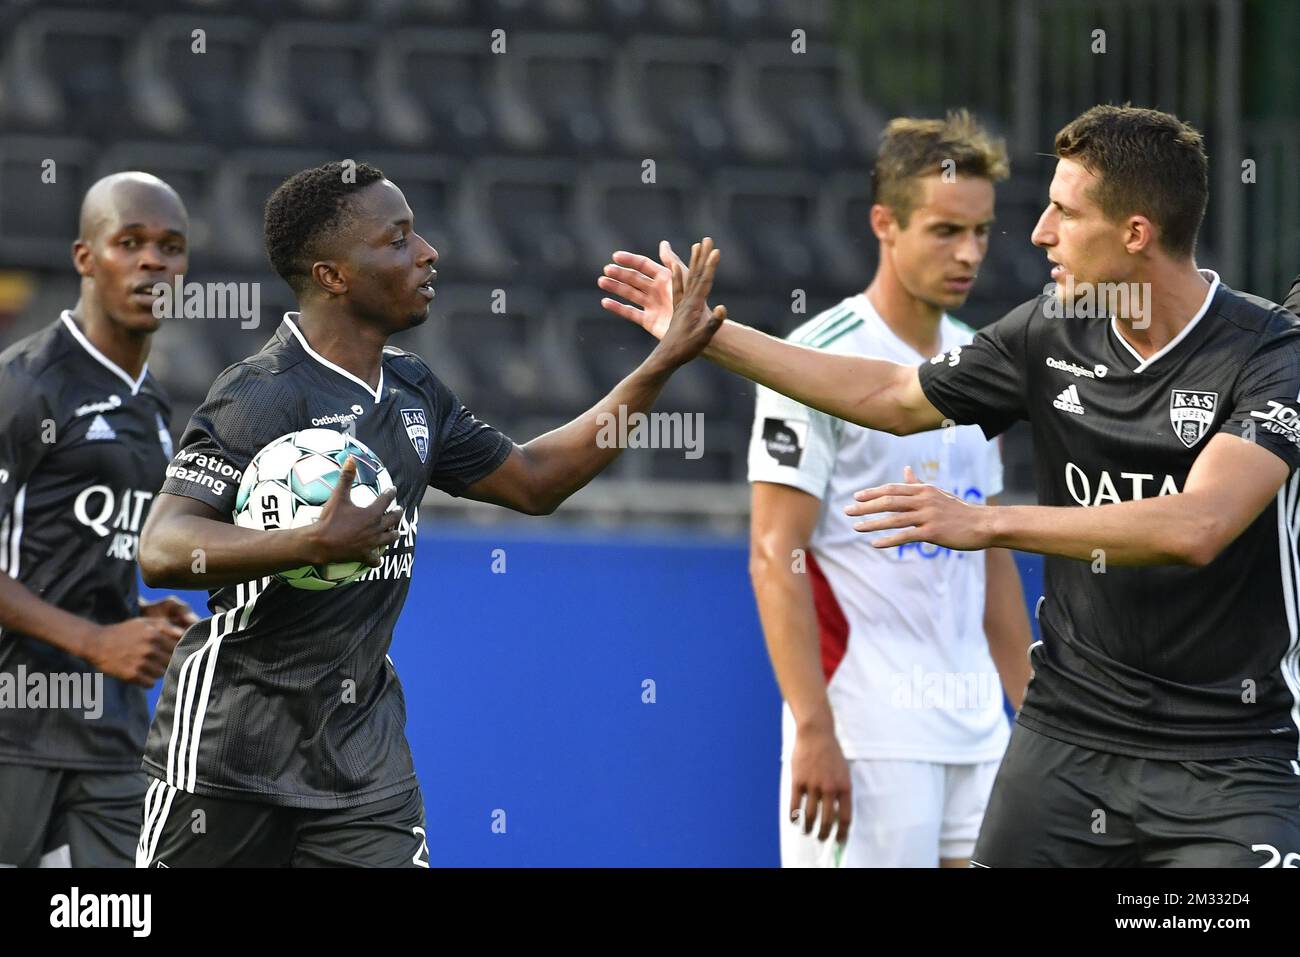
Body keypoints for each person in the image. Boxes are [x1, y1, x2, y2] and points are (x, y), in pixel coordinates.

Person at [599, 105, 1300, 867]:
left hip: (1232, 757)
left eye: (1064, 212)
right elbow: (894, 398)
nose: (1036, 233)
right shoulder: (1049, 330)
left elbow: (1198, 525)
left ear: (1135, 232)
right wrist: (708, 335)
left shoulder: (1270, 353)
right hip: (1066, 740)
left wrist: (988, 524)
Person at [134, 161, 726, 867]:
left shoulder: (414, 390)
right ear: (333, 276)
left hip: (363, 767)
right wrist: (306, 544)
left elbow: (535, 481)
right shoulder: (260, 394)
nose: (427, 252)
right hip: (228, 759)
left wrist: (657, 365)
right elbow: (163, 546)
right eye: (398, 239)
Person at [742, 112, 1030, 867]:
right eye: (945, 231)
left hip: (978, 731)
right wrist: (812, 726)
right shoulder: (815, 361)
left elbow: (991, 548)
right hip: (868, 733)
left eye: (981, 231)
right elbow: (776, 551)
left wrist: (1032, 707)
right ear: (884, 223)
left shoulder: (981, 362)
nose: (969, 253)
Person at [0, 172, 197, 868]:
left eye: (171, 248)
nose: (153, 262)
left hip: (111, 738)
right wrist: (96, 639)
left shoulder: (152, 408)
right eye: (131, 242)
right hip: (14, 727)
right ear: (86, 257)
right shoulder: (24, 386)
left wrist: (133, 608)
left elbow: (53, 550)